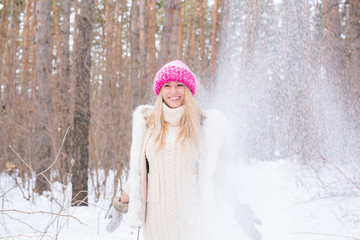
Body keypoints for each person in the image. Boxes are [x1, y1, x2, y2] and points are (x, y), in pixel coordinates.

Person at [106, 60, 262, 240]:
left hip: (190, 218)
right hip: (155, 219)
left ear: (188, 89)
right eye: (167, 85)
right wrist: (121, 205)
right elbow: (139, 174)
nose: (173, 91)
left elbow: (215, 174)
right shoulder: (150, 126)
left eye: (180, 85)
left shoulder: (200, 127)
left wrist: (239, 209)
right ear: (160, 91)